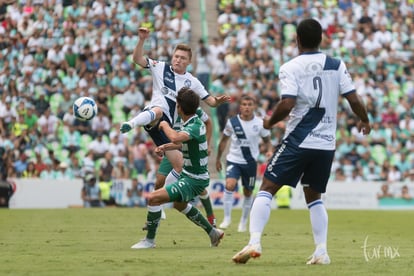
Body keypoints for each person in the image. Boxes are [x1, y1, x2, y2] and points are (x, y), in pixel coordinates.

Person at [232, 19, 371, 265]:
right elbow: (354, 99)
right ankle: (321, 251)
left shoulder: (291, 67)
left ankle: (254, 241)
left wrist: (269, 122)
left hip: (299, 139)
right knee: (314, 196)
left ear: (297, 40)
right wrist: (365, 120)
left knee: (267, 188)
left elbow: (287, 103)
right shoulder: (336, 65)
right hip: (326, 144)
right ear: (321, 39)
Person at [120, 27, 229, 190]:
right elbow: (137, 59)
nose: (178, 60)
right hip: (154, 118)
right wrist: (142, 40)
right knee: (159, 110)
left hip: (169, 132)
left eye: (182, 58)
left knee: (178, 168)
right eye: (176, 56)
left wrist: (218, 102)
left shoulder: (193, 82)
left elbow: (211, 102)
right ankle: (131, 123)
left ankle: (158, 205)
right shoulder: (160, 67)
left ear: (189, 62)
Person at [130, 87, 224, 249]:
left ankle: (149, 241)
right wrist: (165, 147)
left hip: (194, 180)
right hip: (190, 175)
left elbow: (175, 136)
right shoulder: (192, 122)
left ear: (180, 107)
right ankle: (212, 232)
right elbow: (179, 142)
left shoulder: (194, 125)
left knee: (153, 198)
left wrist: (164, 124)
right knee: (179, 205)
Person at [216, 95, 272, 232]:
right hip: (233, 160)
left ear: (254, 107)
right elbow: (223, 141)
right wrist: (218, 159)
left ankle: (243, 222)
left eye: (249, 104)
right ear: (240, 106)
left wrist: (269, 151)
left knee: (248, 192)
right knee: (230, 185)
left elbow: (267, 140)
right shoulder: (232, 122)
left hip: (250, 162)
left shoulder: (259, 123)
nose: (247, 107)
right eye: (244, 104)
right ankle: (227, 218)